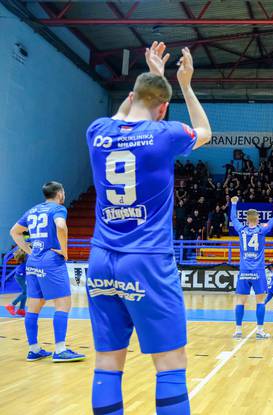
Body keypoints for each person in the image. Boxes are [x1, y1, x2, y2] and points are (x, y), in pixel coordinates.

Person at [85, 42, 212, 415]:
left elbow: (127, 111)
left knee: (107, 362)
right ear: (164, 108)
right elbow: (204, 130)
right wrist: (185, 84)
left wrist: (153, 77)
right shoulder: (165, 134)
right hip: (147, 261)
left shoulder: (97, 132)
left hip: (100, 260)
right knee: (171, 364)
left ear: (132, 95)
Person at [10, 182, 85, 363]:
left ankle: (33, 349)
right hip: (51, 262)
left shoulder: (33, 210)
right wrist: (65, 251)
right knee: (63, 305)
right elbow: (61, 227)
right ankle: (60, 350)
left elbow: (15, 232)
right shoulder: (58, 209)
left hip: (33, 263)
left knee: (33, 307)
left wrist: (29, 251)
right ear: (59, 194)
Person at [231, 195, 273, 339]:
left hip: (244, 270)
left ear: (247, 219)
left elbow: (233, 219)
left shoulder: (241, 229)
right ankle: (260, 331)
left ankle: (237, 330)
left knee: (240, 301)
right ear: (258, 219)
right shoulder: (262, 229)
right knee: (260, 301)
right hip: (258, 270)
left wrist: (234, 204)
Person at [5, 248, 28, 317]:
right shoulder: (27, 256)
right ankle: (11, 305)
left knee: (25, 292)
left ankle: (21, 310)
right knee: (26, 292)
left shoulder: (26, 256)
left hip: (21, 275)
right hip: (20, 276)